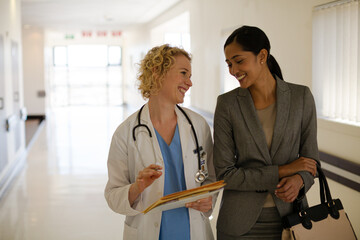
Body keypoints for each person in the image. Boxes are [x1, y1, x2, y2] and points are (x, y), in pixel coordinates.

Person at [213, 25, 319, 239]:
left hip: (292, 219)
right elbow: (225, 175)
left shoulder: (301, 97)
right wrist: (284, 170)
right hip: (238, 224)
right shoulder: (227, 104)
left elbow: (310, 162)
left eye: (239, 61)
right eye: (229, 64)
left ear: (262, 56)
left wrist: (299, 180)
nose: (233, 70)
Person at [105, 44, 216, 240]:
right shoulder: (125, 133)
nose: (189, 83)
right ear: (157, 72)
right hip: (147, 232)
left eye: (190, 76)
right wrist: (136, 187)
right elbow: (113, 196)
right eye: (183, 73)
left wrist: (209, 200)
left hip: (193, 232)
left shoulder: (198, 126)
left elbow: (210, 180)